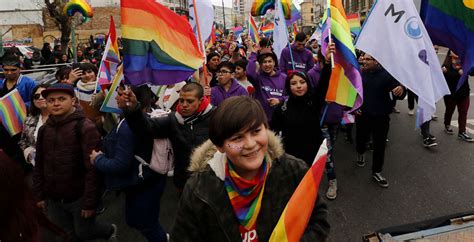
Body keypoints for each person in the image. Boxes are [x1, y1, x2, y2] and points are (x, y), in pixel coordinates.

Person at [170, 96, 330, 241]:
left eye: (256, 131)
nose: (251, 144)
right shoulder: (199, 189)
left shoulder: (293, 170)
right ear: (220, 146)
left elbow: (317, 218)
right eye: (237, 138)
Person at [32, 83, 116, 241]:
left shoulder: (85, 127)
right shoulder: (44, 130)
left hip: (79, 197)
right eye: (51, 100)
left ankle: (109, 231)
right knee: (66, 235)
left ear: (73, 101)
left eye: (61, 99)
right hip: (54, 198)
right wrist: (39, 194)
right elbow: (40, 164)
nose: (56, 103)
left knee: (84, 231)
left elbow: (93, 169)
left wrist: (90, 202)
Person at [91, 85, 168, 241]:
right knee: (140, 219)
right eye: (118, 94)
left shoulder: (127, 127)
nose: (117, 97)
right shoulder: (141, 116)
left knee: (145, 223)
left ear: (135, 99)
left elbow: (120, 165)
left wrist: (97, 159)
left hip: (142, 184)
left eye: (122, 95)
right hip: (148, 180)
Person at [117, 82, 214, 191]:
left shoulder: (216, 118)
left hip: (210, 182)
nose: (184, 105)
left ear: (201, 100)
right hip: (183, 182)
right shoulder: (173, 120)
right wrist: (134, 109)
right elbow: (146, 128)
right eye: (181, 100)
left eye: (190, 101)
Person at [271, 43, 337, 199]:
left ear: (308, 84)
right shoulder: (281, 108)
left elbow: (323, 84)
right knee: (295, 188)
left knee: (311, 188)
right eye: (293, 83)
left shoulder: (314, 102)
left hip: (314, 153)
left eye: (302, 82)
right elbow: (272, 134)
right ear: (288, 87)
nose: (298, 86)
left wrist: (327, 62)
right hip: (292, 156)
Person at [355, 54, 406, 188]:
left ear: (376, 61)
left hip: (381, 118)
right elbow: (353, 92)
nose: (363, 61)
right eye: (363, 59)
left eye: (367, 59)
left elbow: (400, 94)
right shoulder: (359, 74)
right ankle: (360, 153)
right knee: (361, 139)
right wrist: (353, 107)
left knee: (380, 146)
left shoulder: (388, 76)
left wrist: (402, 89)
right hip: (363, 115)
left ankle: (377, 171)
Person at [247, 42, 287, 122]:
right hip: (261, 120)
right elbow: (249, 73)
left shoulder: (284, 78)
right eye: (264, 62)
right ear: (260, 64)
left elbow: (290, 97)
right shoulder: (258, 78)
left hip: (280, 120)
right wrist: (254, 54)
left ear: (274, 62)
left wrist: (280, 100)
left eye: (269, 61)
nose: (267, 64)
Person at [442, 51, 473, 142]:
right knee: (449, 110)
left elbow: (472, 72)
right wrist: (457, 71)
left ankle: (462, 132)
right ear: (449, 53)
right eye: (453, 50)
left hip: (464, 92)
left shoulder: (464, 62)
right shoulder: (446, 64)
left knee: (463, 112)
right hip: (451, 93)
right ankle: (447, 124)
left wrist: (466, 69)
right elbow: (447, 76)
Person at [19, 84, 50, 167]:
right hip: (37, 167)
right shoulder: (29, 119)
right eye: (36, 96)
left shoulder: (62, 118)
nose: (40, 98)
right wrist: (29, 153)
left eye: (44, 95)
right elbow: (23, 141)